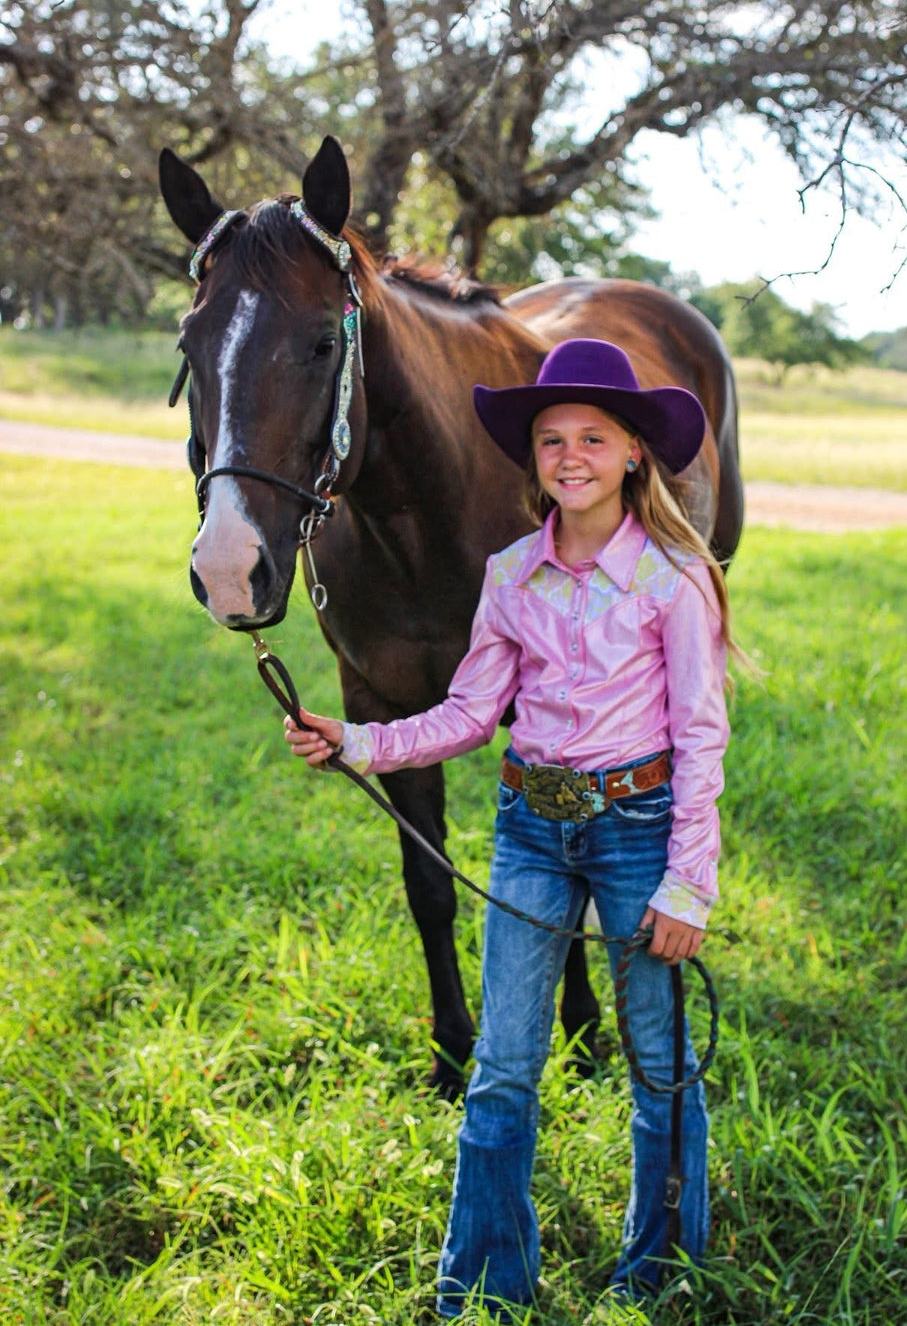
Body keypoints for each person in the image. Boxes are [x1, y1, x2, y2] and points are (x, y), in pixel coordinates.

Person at [284, 338, 739, 1319]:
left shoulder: (672, 579)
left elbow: (702, 736)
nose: (569, 455)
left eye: (591, 437)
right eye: (549, 439)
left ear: (630, 455)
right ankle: (481, 1278)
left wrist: (687, 882)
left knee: (657, 1061)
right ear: (530, 457)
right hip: (532, 828)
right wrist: (357, 739)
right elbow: (464, 715)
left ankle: (659, 1268)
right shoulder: (509, 575)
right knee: (501, 1068)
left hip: (637, 828)